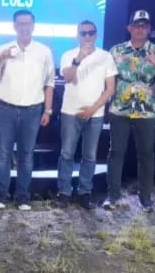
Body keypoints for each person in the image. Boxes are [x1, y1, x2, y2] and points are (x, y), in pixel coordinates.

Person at [104, 10, 155, 211]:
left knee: (146, 155)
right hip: (120, 110)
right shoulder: (116, 51)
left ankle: (145, 199)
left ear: (149, 29)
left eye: (144, 26)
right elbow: (108, 79)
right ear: (129, 28)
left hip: (147, 112)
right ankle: (113, 196)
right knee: (116, 153)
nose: (140, 29)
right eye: (136, 25)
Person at [0, 10, 54, 210]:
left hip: (32, 110)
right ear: (14, 26)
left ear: (33, 26)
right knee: (3, 154)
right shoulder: (3, 49)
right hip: (5, 109)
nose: (24, 28)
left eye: (28, 24)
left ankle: (23, 196)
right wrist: (0, 59)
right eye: (20, 24)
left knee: (26, 155)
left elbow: (49, 83)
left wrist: (48, 110)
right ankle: (1, 195)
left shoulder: (44, 51)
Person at [55, 20, 116, 210]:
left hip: (95, 113)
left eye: (91, 32)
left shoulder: (106, 56)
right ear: (78, 35)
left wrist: (93, 108)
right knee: (67, 153)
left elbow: (110, 88)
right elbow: (67, 78)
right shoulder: (68, 55)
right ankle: (64, 192)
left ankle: (84, 192)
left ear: (96, 34)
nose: (88, 36)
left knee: (89, 155)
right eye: (84, 33)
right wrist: (79, 59)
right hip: (70, 111)